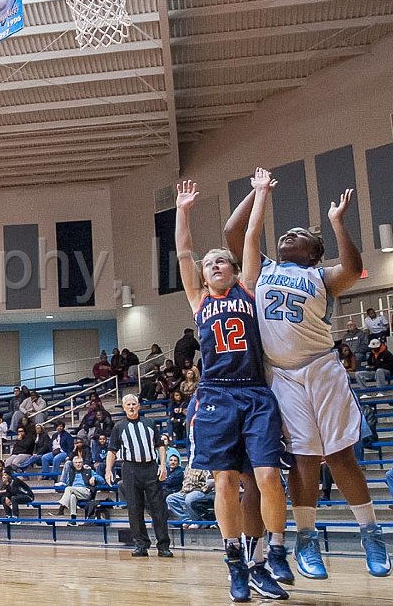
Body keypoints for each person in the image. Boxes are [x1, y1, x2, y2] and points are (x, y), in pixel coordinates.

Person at [227, 183, 391, 579]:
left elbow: (352, 268)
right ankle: (306, 540)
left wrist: (337, 223)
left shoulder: (321, 276)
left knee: (340, 456)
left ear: (313, 251)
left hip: (321, 369)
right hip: (281, 375)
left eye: (298, 235)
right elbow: (234, 232)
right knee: (303, 460)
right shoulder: (263, 267)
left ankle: (371, 535)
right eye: (286, 234)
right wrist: (255, 192)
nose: (287, 235)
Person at [178, 172, 291, 600]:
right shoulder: (198, 299)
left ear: (233, 268)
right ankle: (235, 563)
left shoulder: (247, 287)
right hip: (216, 395)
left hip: (255, 391)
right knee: (225, 480)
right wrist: (182, 212)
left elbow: (252, 235)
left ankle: (267, 555)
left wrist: (260, 193)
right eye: (210, 264)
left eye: (222, 260)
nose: (216, 265)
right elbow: (184, 251)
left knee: (265, 476)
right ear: (203, 276)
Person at [105, 394, 172, 558]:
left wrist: (163, 465)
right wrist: (108, 470)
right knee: (134, 509)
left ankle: (163, 546)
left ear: (139, 406)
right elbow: (112, 450)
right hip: (130, 469)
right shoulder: (119, 427)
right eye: (128, 404)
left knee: (158, 509)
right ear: (124, 407)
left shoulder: (149, 423)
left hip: (150, 468)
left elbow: (160, 446)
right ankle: (141, 545)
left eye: (134, 403)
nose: (131, 406)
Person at [56, 454, 97, 525]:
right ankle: (73, 520)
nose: (78, 464)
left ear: (82, 463)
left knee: (69, 489)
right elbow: (68, 482)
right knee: (72, 496)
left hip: (86, 491)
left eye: (80, 462)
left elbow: (101, 480)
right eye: (76, 463)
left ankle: (61, 508)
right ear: (73, 464)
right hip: (75, 492)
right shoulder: (71, 472)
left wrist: (94, 477)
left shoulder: (88, 470)